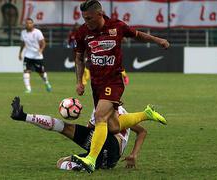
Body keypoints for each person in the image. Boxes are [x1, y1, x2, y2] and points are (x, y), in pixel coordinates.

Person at [73, 0, 170, 173]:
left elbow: (138, 34)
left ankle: (91, 160)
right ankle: (146, 114)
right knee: (114, 126)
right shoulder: (82, 33)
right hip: (96, 83)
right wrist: (79, 81)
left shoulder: (116, 26)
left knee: (100, 117)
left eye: (89, 18)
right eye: (84, 18)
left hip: (114, 81)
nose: (86, 22)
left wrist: (158, 40)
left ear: (100, 14)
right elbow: (79, 58)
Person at [10, 96, 147, 170]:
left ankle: (23, 116)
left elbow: (91, 129)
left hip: (107, 144)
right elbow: (142, 132)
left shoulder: (101, 109)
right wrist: (133, 155)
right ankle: (83, 166)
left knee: (65, 128)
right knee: (61, 162)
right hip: (110, 160)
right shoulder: (124, 113)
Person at [19, 18, 52, 93]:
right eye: (27, 23)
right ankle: (28, 89)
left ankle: (47, 83)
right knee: (26, 72)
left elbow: (43, 43)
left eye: (30, 23)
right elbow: (23, 43)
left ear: (33, 24)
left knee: (41, 73)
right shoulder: (23, 33)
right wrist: (20, 53)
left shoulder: (37, 32)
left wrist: (41, 50)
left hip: (37, 56)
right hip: (28, 56)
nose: (28, 24)